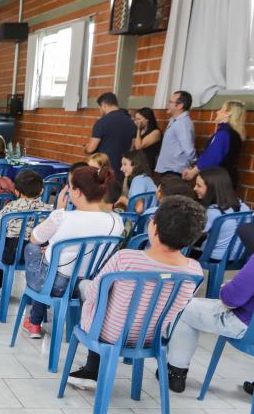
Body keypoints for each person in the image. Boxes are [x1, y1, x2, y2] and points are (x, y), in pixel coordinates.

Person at [66, 196, 206, 390]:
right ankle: (92, 369)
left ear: (155, 229)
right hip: (151, 337)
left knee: (85, 287)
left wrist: (81, 285)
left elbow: (94, 293)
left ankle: (92, 369)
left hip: (109, 333)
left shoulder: (126, 259)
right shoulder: (195, 271)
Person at [20, 166, 125, 338]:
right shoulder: (116, 221)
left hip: (53, 285)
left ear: (76, 192)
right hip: (87, 283)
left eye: (69, 186)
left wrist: (58, 210)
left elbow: (34, 238)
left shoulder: (61, 217)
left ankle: (34, 321)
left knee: (32, 248)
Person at [172, 223, 254, 394]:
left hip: (245, 328)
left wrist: (227, 287)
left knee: (182, 307)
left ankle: (175, 372)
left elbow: (231, 299)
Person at [0, 170, 53, 303]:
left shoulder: (9, 209)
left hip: (11, 253)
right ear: (41, 191)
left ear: (16, 191)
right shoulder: (48, 210)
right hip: (37, 255)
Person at [182, 100, 246, 187]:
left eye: (221, 109)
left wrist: (193, 172)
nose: (217, 112)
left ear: (228, 113)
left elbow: (211, 158)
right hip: (225, 179)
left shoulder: (224, 134)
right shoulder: (232, 133)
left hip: (217, 181)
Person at [193, 167, 251, 261]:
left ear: (212, 188)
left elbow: (193, 234)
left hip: (213, 258)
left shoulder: (213, 212)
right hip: (238, 258)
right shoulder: (244, 207)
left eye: (199, 186)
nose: (194, 188)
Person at [84, 92, 136, 180]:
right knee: (116, 192)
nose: (100, 110)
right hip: (122, 168)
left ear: (104, 105)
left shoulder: (102, 122)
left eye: (100, 107)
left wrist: (85, 148)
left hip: (103, 168)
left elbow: (91, 148)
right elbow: (132, 147)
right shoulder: (131, 122)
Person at [155, 90, 195, 177]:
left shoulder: (182, 123)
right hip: (169, 170)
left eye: (170, 102)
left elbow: (189, 150)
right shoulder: (174, 120)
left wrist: (194, 165)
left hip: (175, 171)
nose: (167, 104)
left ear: (180, 105)